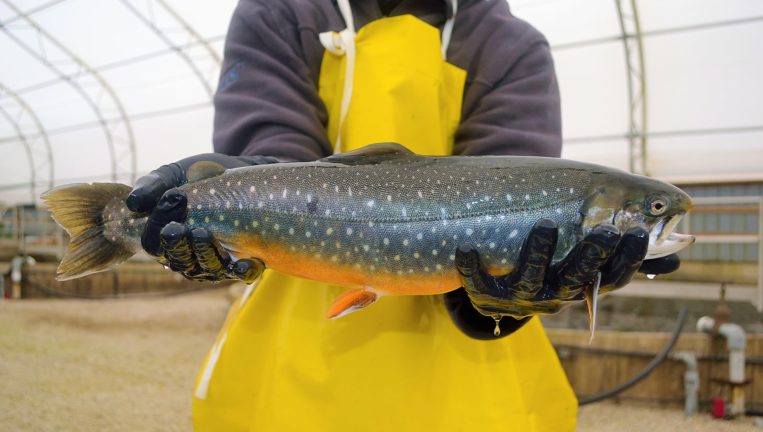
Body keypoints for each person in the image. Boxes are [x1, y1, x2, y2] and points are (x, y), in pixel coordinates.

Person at [127, 0, 680, 430]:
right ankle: (113, 225)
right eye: (654, 210)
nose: (659, 216)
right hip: (290, 364)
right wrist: (235, 189)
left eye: (654, 211)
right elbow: (277, 149)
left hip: (469, 387)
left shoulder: (509, 45)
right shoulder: (281, 12)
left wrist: (496, 308)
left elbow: (517, 206)